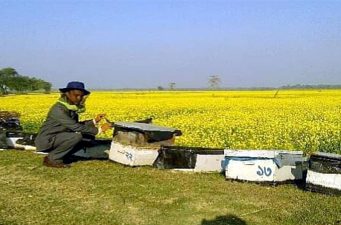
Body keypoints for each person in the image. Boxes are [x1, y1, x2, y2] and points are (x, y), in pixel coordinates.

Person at [35, 81, 112, 168]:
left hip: (58, 137)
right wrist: (99, 130)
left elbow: (75, 124)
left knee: (87, 137)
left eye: (81, 96)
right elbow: (75, 127)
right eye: (76, 95)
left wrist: (94, 121)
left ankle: (67, 154)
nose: (79, 98)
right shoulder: (58, 109)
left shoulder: (70, 108)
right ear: (67, 94)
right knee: (76, 137)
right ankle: (52, 159)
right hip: (48, 140)